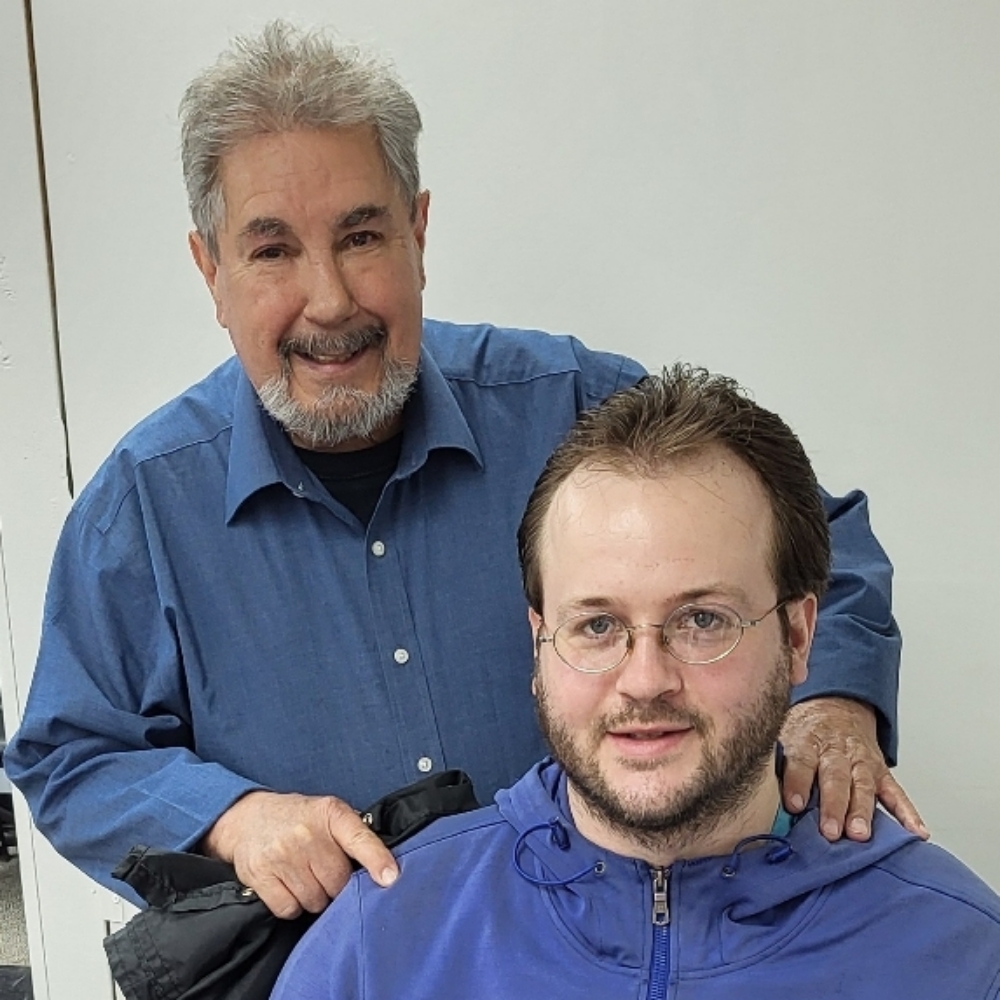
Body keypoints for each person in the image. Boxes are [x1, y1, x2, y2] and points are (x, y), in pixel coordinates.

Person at [6, 22, 921, 919]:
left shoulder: (574, 407)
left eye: (362, 237)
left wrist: (832, 704)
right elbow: (69, 753)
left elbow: (821, 544)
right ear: (210, 270)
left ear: (419, 230)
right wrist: (230, 818)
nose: (330, 301)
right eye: (272, 249)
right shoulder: (145, 501)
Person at [271, 367, 1000, 1000]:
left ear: (800, 636)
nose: (645, 681)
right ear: (539, 645)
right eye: (597, 626)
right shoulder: (382, 942)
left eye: (702, 620)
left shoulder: (962, 955)